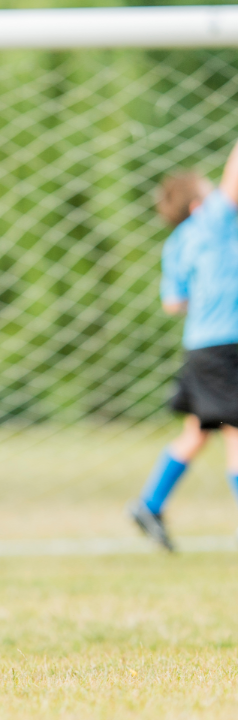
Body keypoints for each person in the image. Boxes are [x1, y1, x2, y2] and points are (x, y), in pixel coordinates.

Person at [128, 145, 238, 551]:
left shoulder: (176, 243)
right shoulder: (213, 222)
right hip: (226, 344)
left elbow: (174, 303)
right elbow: (234, 181)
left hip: (199, 346)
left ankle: (149, 503)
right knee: (235, 435)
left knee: (198, 430)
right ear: (196, 205)